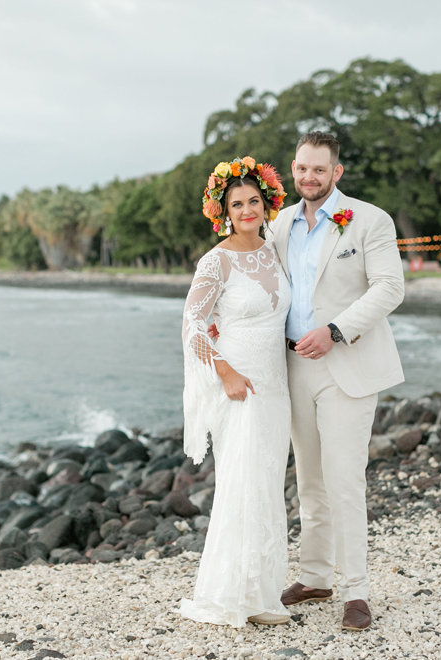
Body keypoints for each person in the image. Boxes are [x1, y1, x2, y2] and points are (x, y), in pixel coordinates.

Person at [267, 131, 405, 632]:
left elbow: (391, 287)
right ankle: (315, 576)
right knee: (310, 481)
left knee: (345, 480)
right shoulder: (279, 223)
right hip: (293, 367)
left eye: (319, 170)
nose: (309, 177)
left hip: (347, 364)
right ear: (294, 168)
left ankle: (356, 592)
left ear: (336, 173)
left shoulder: (369, 219)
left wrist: (336, 330)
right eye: (302, 168)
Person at [177, 156, 293, 627]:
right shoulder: (217, 260)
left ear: (267, 204)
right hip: (239, 388)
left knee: (266, 484)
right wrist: (224, 371)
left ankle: (263, 593)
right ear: (223, 211)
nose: (247, 210)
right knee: (242, 485)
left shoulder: (272, 251)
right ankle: (231, 596)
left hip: (277, 386)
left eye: (253, 201)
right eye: (236, 204)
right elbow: (191, 324)